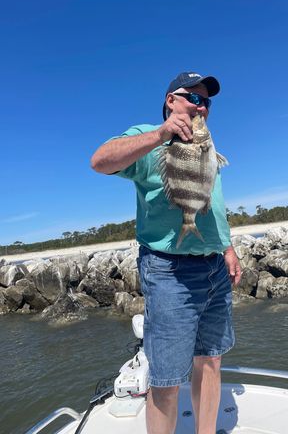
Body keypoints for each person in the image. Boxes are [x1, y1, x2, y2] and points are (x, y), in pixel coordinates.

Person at [91, 71, 241, 434]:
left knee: (210, 361)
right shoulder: (148, 139)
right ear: (170, 100)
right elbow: (100, 161)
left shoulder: (206, 146)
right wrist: (160, 135)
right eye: (193, 97)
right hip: (168, 272)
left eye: (207, 101)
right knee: (167, 377)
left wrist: (228, 247)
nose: (201, 106)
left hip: (214, 269)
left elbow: (213, 204)